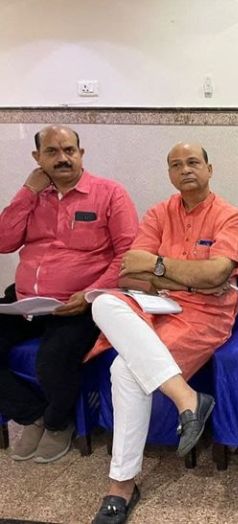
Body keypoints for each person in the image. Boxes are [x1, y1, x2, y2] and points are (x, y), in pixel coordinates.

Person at [85, 143, 238, 524]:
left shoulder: (230, 216)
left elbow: (217, 274)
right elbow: (129, 274)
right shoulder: (159, 213)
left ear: (210, 168)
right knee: (102, 303)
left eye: (192, 162)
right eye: (176, 165)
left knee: (124, 369)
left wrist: (157, 267)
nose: (185, 169)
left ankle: (121, 486)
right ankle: (187, 398)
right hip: (157, 306)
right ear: (170, 174)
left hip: (206, 316)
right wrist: (187, 279)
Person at [0, 125, 138, 463]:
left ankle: (58, 424)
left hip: (80, 304)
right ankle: (32, 414)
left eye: (69, 150)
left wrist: (90, 294)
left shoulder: (109, 193)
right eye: (52, 151)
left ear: (81, 153)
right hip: (25, 301)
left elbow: (128, 253)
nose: (62, 158)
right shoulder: (32, 198)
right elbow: (4, 242)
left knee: (53, 359)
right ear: (37, 158)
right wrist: (27, 192)